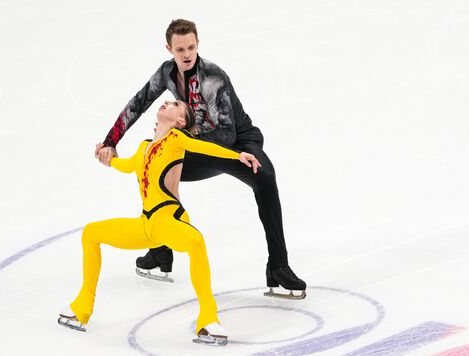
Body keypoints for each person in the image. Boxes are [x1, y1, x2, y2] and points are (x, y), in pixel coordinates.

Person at [95, 19, 306, 298]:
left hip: (237, 140)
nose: (186, 54)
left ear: (197, 45)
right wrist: (111, 141)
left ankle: (278, 266)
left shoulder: (212, 78)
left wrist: (180, 142)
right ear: (169, 48)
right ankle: (161, 250)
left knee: (265, 177)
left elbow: (227, 133)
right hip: (195, 143)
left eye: (191, 47)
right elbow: (138, 103)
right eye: (180, 48)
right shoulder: (166, 73)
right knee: (154, 162)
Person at [59, 100, 261, 345]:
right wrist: (107, 157)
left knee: (196, 242)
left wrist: (237, 155)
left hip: (167, 219)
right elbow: (126, 165)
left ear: (180, 121)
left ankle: (208, 319)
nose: (166, 102)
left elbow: (204, 147)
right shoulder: (144, 146)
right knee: (91, 233)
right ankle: (82, 308)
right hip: (146, 224)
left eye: (175, 104)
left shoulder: (176, 139)